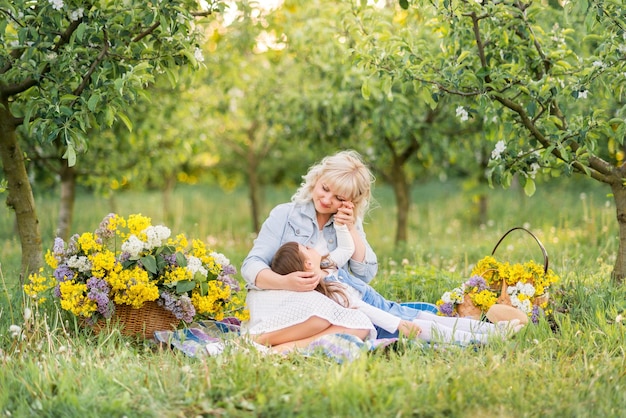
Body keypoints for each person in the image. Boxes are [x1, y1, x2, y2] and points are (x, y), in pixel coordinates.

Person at [270, 223, 522, 345]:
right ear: (307, 266)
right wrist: (398, 324)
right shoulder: (329, 292)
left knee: (433, 318)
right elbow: (360, 309)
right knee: (430, 327)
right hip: (382, 325)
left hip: (389, 310)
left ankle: (493, 332)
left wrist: (343, 223)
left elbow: (346, 248)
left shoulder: (328, 268)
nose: (311, 246)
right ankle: (486, 339)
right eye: (305, 248)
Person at [240, 150, 381, 348]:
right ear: (316, 179)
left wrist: (351, 228)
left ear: (351, 202)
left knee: (361, 327)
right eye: (325, 188)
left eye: (339, 198)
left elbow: (365, 275)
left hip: (320, 303)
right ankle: (255, 340)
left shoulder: (347, 225)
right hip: (277, 295)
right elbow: (250, 266)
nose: (326, 199)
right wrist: (285, 281)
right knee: (321, 317)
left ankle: (280, 350)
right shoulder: (285, 215)